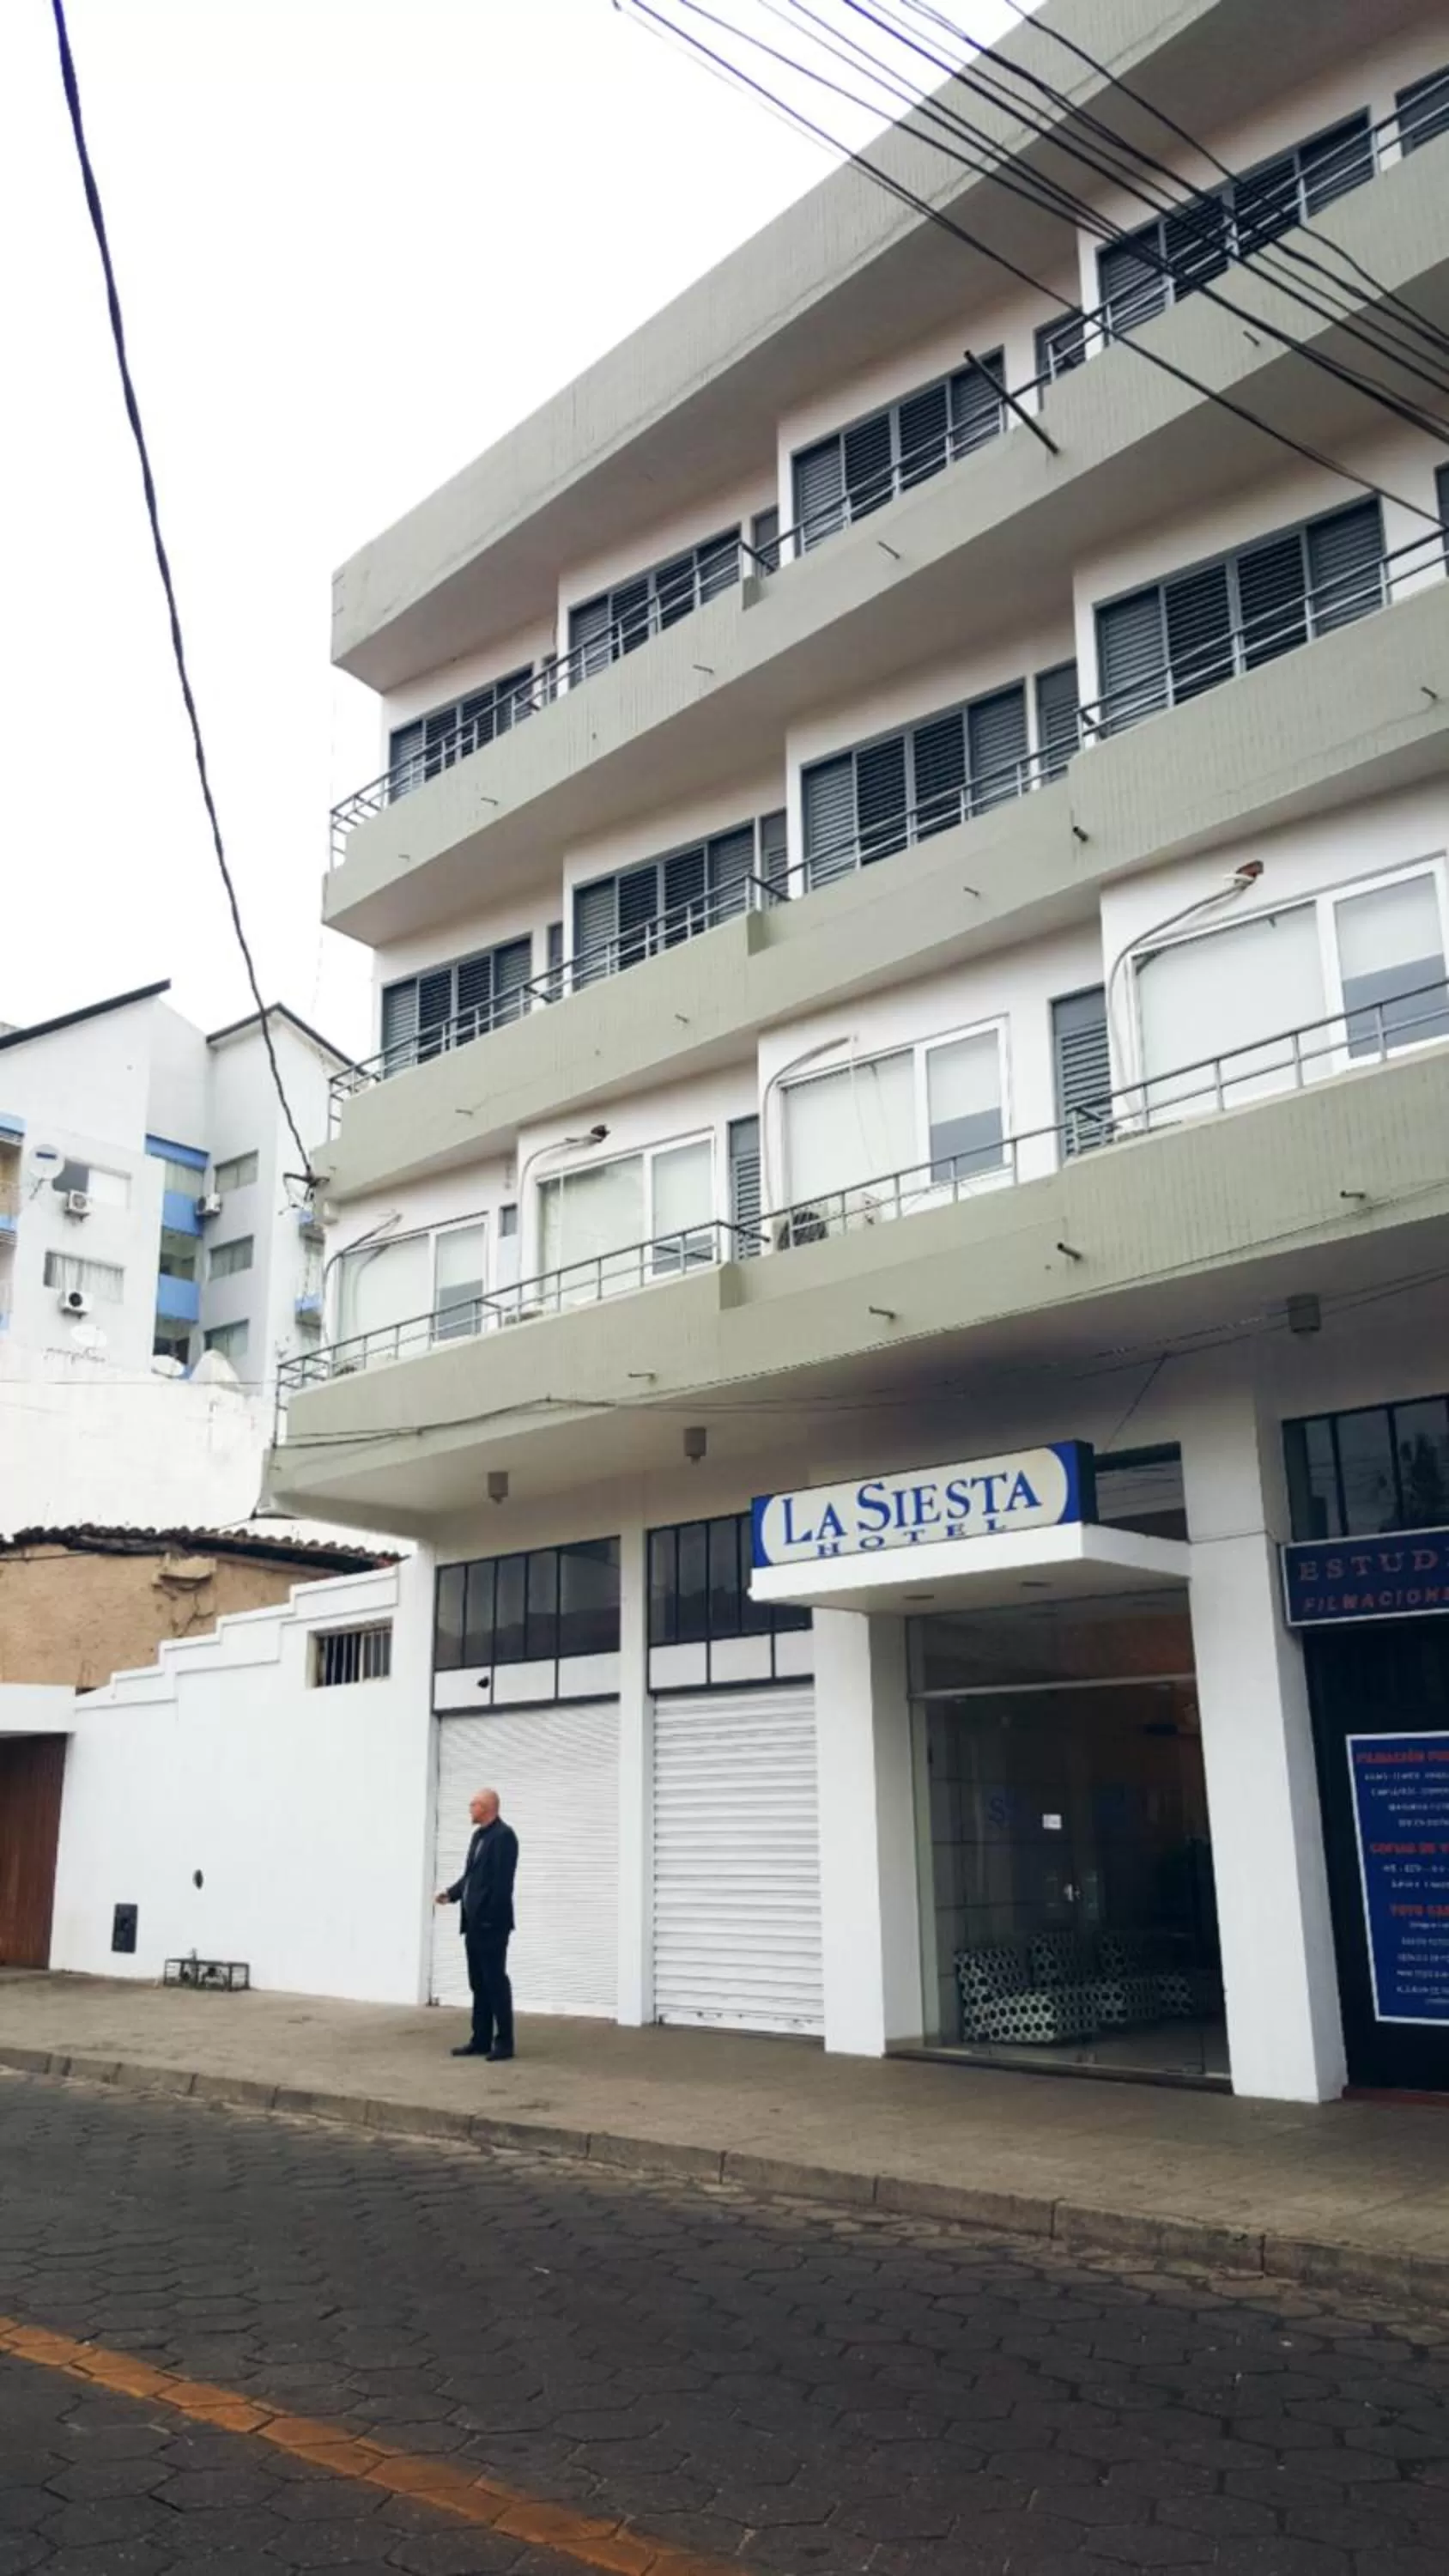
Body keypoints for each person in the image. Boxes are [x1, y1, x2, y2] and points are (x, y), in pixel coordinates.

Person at [435, 1787, 518, 2061]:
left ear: (487, 1807)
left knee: (495, 1982)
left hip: (491, 1926)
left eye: (474, 1804)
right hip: (472, 1925)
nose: (470, 1809)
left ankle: (504, 2042)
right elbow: (471, 1877)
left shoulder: (504, 1837)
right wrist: (452, 1894)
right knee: (478, 1983)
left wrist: (488, 1919)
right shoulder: (478, 1837)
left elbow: (501, 1885)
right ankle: (480, 2039)